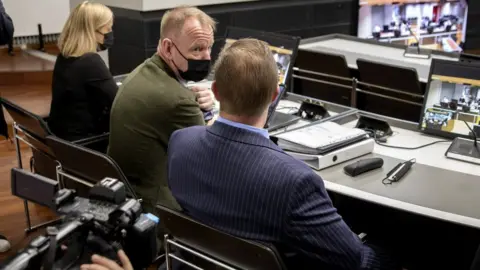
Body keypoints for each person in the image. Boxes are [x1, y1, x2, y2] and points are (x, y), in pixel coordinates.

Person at [167, 38, 402, 269]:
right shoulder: (295, 182)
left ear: (216, 91)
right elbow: (356, 262)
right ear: (274, 96)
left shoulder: (180, 143)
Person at [107, 6, 215, 215]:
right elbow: (209, 157)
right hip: (158, 211)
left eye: (209, 47)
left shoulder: (141, 71)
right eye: (197, 49)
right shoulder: (179, 101)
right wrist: (211, 114)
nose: (206, 57)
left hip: (124, 197)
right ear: (167, 48)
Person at [48, 1, 117, 141]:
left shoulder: (64, 57)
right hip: (85, 144)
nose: (110, 34)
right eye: (107, 29)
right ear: (91, 32)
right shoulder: (90, 62)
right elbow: (119, 102)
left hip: (62, 141)